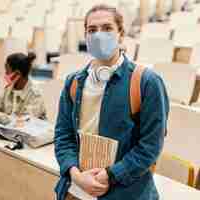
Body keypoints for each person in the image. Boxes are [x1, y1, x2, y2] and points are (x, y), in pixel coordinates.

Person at [54, 4, 169, 200]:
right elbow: (63, 136)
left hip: (126, 191)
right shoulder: (73, 82)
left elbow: (150, 146)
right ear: (86, 37)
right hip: (77, 188)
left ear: (121, 34)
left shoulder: (147, 82)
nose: (98, 35)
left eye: (107, 28)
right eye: (92, 30)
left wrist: (111, 174)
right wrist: (76, 175)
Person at [0, 52, 47, 122]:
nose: (5, 74)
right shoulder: (7, 89)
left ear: (17, 74)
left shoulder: (36, 95)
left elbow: (23, 122)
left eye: (7, 71)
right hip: (7, 131)